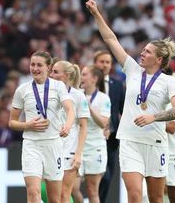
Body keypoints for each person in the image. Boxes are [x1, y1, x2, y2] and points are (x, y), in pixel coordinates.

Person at [86, 0, 175, 203]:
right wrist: (97, 14)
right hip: (130, 140)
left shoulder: (169, 81)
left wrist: (154, 117)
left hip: (156, 143)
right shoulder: (132, 69)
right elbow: (111, 39)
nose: (142, 53)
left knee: (157, 198)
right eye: (144, 49)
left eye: (147, 52)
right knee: (134, 194)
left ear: (159, 60)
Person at [9, 51, 75, 203]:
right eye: (33, 65)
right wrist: (28, 125)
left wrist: (68, 126)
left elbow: (70, 109)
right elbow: (12, 122)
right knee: (33, 193)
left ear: (49, 68)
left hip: (53, 145)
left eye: (39, 65)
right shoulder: (22, 90)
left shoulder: (58, 86)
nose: (35, 68)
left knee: (54, 199)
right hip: (31, 145)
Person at [49, 60, 90, 203]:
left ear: (66, 75)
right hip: (51, 148)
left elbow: (84, 126)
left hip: (69, 150)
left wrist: (78, 154)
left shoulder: (78, 96)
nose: (51, 75)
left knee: (64, 194)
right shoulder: (47, 94)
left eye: (55, 72)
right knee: (52, 196)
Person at [93, 51, 125, 203]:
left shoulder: (117, 84)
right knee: (94, 176)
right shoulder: (86, 84)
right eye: (101, 61)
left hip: (111, 138)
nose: (104, 65)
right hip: (90, 136)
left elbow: (123, 111)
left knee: (107, 177)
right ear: (95, 63)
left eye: (107, 62)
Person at [80, 65, 111, 203]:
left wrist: (89, 108)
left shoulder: (104, 98)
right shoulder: (76, 95)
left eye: (84, 74)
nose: (81, 77)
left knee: (92, 190)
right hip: (77, 148)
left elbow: (103, 123)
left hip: (95, 148)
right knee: (72, 188)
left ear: (94, 79)